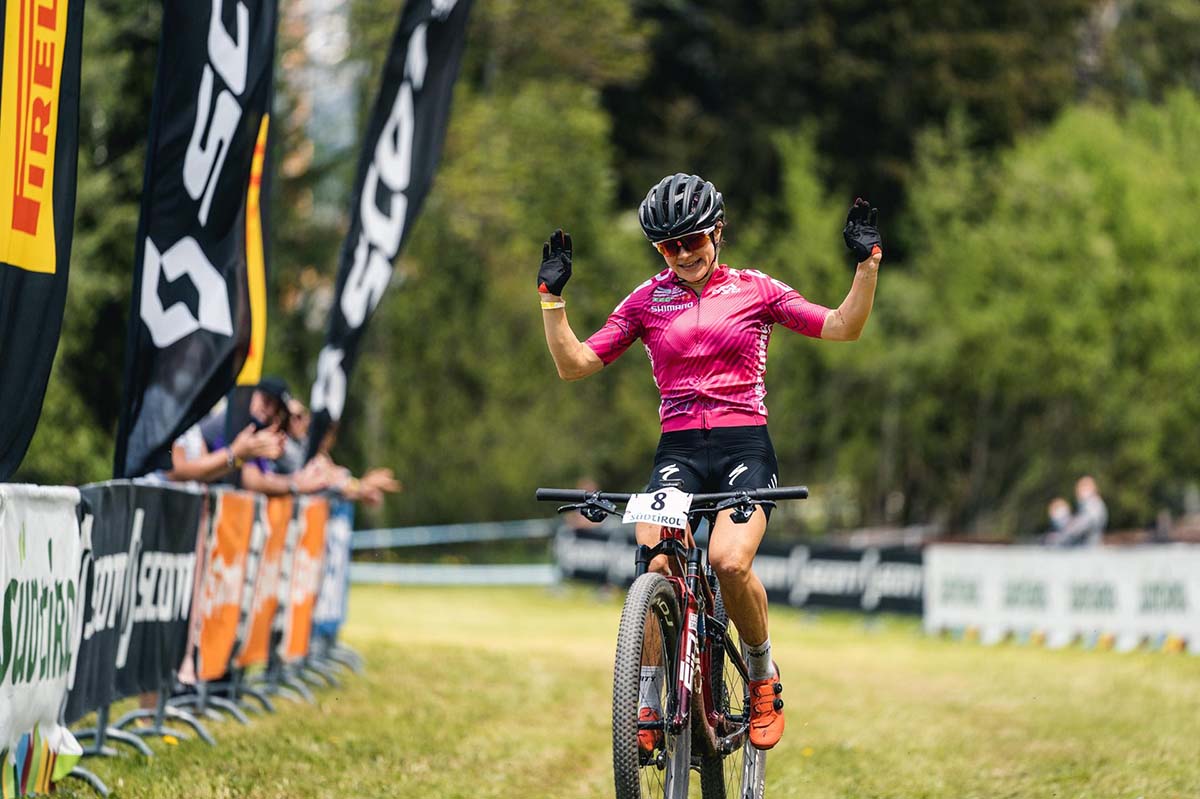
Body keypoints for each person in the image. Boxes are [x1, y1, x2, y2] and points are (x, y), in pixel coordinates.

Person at [537, 173, 883, 751]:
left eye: (692, 240)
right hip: (678, 451)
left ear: (717, 231)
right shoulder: (646, 300)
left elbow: (843, 327)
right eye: (667, 246)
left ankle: (762, 675)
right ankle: (649, 699)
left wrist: (867, 265)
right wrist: (552, 299)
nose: (682, 254)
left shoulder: (756, 289)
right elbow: (574, 364)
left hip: (745, 446)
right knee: (655, 560)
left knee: (726, 558)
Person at [1049, 475, 1108, 547]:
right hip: (1084, 548)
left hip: (1087, 549)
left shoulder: (1093, 506)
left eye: (1084, 487)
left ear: (1093, 489)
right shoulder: (1086, 506)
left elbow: (1079, 527)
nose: (1080, 491)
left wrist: (1061, 517)